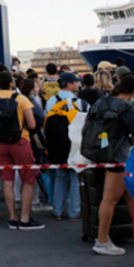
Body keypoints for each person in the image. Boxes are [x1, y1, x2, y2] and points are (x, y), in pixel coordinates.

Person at [89, 74, 134, 256]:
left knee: (131, 196)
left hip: (99, 153)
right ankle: (102, 241)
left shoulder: (101, 102)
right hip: (119, 157)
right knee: (110, 199)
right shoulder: (129, 110)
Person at [0, 71, 43, 230]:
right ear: (11, 83)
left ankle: (12, 218)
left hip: (0, 143)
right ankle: (25, 219)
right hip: (20, 141)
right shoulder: (21, 99)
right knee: (28, 180)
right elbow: (32, 124)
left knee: (7, 180)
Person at [45, 73, 87, 221]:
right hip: (75, 145)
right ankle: (74, 212)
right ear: (69, 84)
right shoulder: (81, 103)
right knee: (75, 177)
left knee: (60, 176)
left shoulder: (51, 101)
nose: (78, 84)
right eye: (76, 82)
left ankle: (57, 210)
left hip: (56, 146)